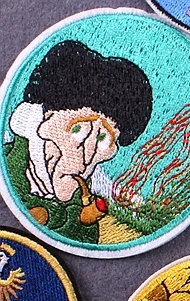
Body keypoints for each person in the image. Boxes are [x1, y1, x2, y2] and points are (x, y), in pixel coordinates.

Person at [4, 40, 153, 243]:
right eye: (78, 130)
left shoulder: (85, 207)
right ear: (43, 120)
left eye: (102, 139)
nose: (86, 158)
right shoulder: (9, 166)